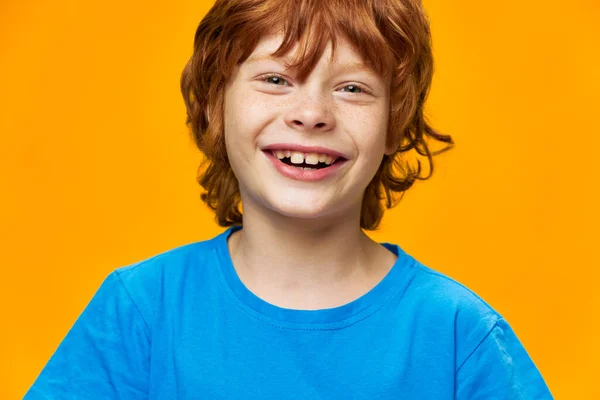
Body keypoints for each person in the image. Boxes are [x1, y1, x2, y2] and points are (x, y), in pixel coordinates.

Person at [25, 0, 554, 398]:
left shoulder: (460, 335)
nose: (311, 113)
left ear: (395, 124)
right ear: (215, 104)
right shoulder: (140, 310)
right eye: (276, 78)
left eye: (353, 88)